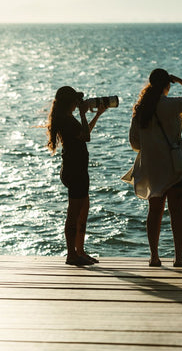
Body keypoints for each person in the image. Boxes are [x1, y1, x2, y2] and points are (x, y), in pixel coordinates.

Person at [123, 69, 182, 267]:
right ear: (167, 84)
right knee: (177, 212)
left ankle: (154, 257)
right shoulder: (172, 104)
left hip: (152, 165)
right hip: (175, 165)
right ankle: (178, 257)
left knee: (154, 211)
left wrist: (151, 143)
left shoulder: (141, 108)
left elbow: (134, 143)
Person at [47, 86, 106, 266]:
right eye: (75, 101)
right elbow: (86, 137)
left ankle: (79, 251)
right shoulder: (66, 120)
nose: (78, 104)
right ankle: (71, 254)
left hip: (77, 169)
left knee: (82, 212)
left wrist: (97, 115)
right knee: (74, 214)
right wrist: (83, 113)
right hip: (75, 171)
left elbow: (84, 133)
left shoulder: (68, 118)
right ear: (69, 102)